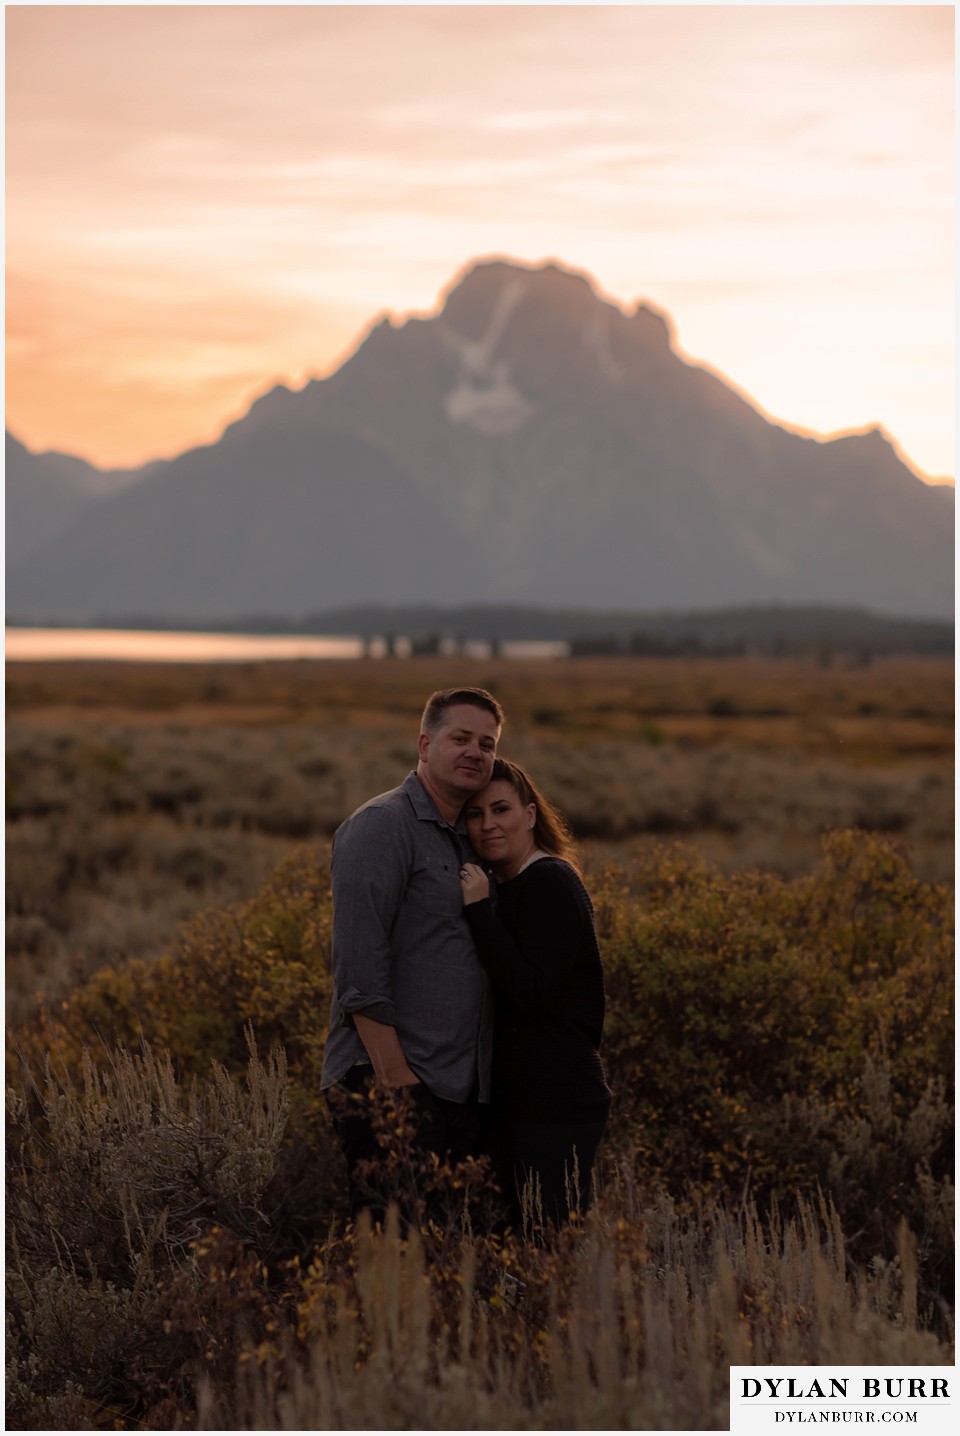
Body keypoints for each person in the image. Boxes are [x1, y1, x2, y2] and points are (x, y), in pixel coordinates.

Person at [320, 686, 504, 1227]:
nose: (476, 752)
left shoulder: (470, 836)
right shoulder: (381, 826)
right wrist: (397, 1081)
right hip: (390, 1081)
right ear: (425, 744)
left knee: (444, 1256)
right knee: (392, 1251)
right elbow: (358, 968)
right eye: (461, 738)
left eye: (488, 744)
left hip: (456, 1088)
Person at [459, 759, 612, 1234]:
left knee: (548, 1248)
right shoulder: (512, 885)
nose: (488, 825)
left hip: (557, 1098)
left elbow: (535, 993)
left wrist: (480, 913)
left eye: (500, 809)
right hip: (525, 1098)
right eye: (475, 814)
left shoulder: (550, 882)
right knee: (519, 1247)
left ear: (529, 815)